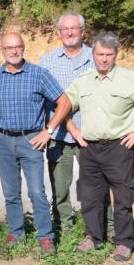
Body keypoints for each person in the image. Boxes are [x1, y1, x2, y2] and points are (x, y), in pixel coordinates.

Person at [65, 33, 134, 261]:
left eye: (109, 55)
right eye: (100, 54)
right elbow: (64, 103)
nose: (104, 59)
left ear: (116, 55)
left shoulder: (131, 80)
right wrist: (72, 129)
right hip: (89, 149)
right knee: (90, 197)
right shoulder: (83, 80)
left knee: (122, 198)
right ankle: (93, 237)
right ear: (92, 54)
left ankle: (123, 242)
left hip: (118, 148)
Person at [0, 32, 72, 255]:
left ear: (24, 48)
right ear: (2, 50)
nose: (13, 51)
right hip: (3, 141)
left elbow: (64, 102)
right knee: (10, 193)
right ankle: (16, 232)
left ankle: (45, 237)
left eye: (17, 47)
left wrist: (48, 130)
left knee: (36, 192)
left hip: (31, 141)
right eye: (9, 48)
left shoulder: (39, 75)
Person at [39, 12, 112, 236]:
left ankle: (106, 228)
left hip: (92, 135)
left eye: (74, 28)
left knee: (97, 186)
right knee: (60, 187)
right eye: (65, 29)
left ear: (83, 31)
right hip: (59, 136)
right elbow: (49, 101)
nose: (70, 33)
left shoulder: (97, 57)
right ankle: (65, 230)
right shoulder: (47, 61)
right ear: (59, 33)